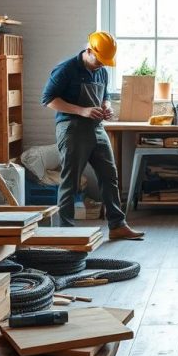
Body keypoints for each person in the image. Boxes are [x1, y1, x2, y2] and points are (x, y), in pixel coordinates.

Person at [43, 31, 143, 239]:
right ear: (89, 50)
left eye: (106, 61)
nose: (102, 64)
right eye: (99, 59)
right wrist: (82, 110)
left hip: (96, 127)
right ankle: (65, 232)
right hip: (71, 127)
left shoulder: (102, 71)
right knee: (70, 181)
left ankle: (117, 226)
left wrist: (106, 107)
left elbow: (104, 96)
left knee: (110, 175)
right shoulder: (66, 69)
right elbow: (48, 99)